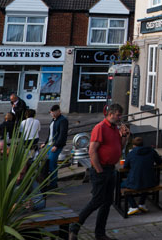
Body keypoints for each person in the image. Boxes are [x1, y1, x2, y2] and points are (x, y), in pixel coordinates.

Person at [69, 103, 130, 240]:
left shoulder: (115, 128)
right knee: (97, 200)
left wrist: (125, 136)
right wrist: (99, 170)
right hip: (101, 169)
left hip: (110, 169)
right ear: (111, 114)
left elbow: (120, 146)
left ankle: (100, 233)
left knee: (107, 202)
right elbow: (92, 150)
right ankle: (74, 227)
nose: (120, 118)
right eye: (118, 115)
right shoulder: (100, 127)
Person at [122, 136, 162, 216]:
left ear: (134, 145)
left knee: (122, 186)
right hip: (150, 180)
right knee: (145, 182)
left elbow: (125, 166)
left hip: (135, 181)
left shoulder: (131, 153)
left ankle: (133, 206)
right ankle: (141, 203)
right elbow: (159, 161)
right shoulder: (151, 151)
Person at [41, 104, 69, 189]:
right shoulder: (53, 120)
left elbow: (62, 134)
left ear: (58, 111)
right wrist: (45, 143)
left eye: (54, 113)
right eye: (51, 113)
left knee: (52, 164)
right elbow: (50, 133)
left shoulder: (63, 120)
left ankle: (53, 184)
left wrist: (56, 145)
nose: (52, 114)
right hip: (49, 144)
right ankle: (51, 182)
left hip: (55, 145)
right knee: (48, 164)